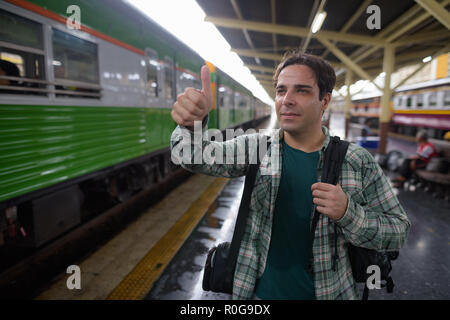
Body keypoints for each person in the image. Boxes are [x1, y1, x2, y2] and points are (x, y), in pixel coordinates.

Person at [170, 52, 410, 300]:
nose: (287, 100)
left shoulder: (356, 161)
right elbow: (190, 157)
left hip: (330, 293)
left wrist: (348, 213)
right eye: (281, 90)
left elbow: (398, 231)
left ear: (324, 100)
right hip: (256, 295)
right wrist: (192, 125)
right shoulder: (256, 149)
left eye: (302, 91)